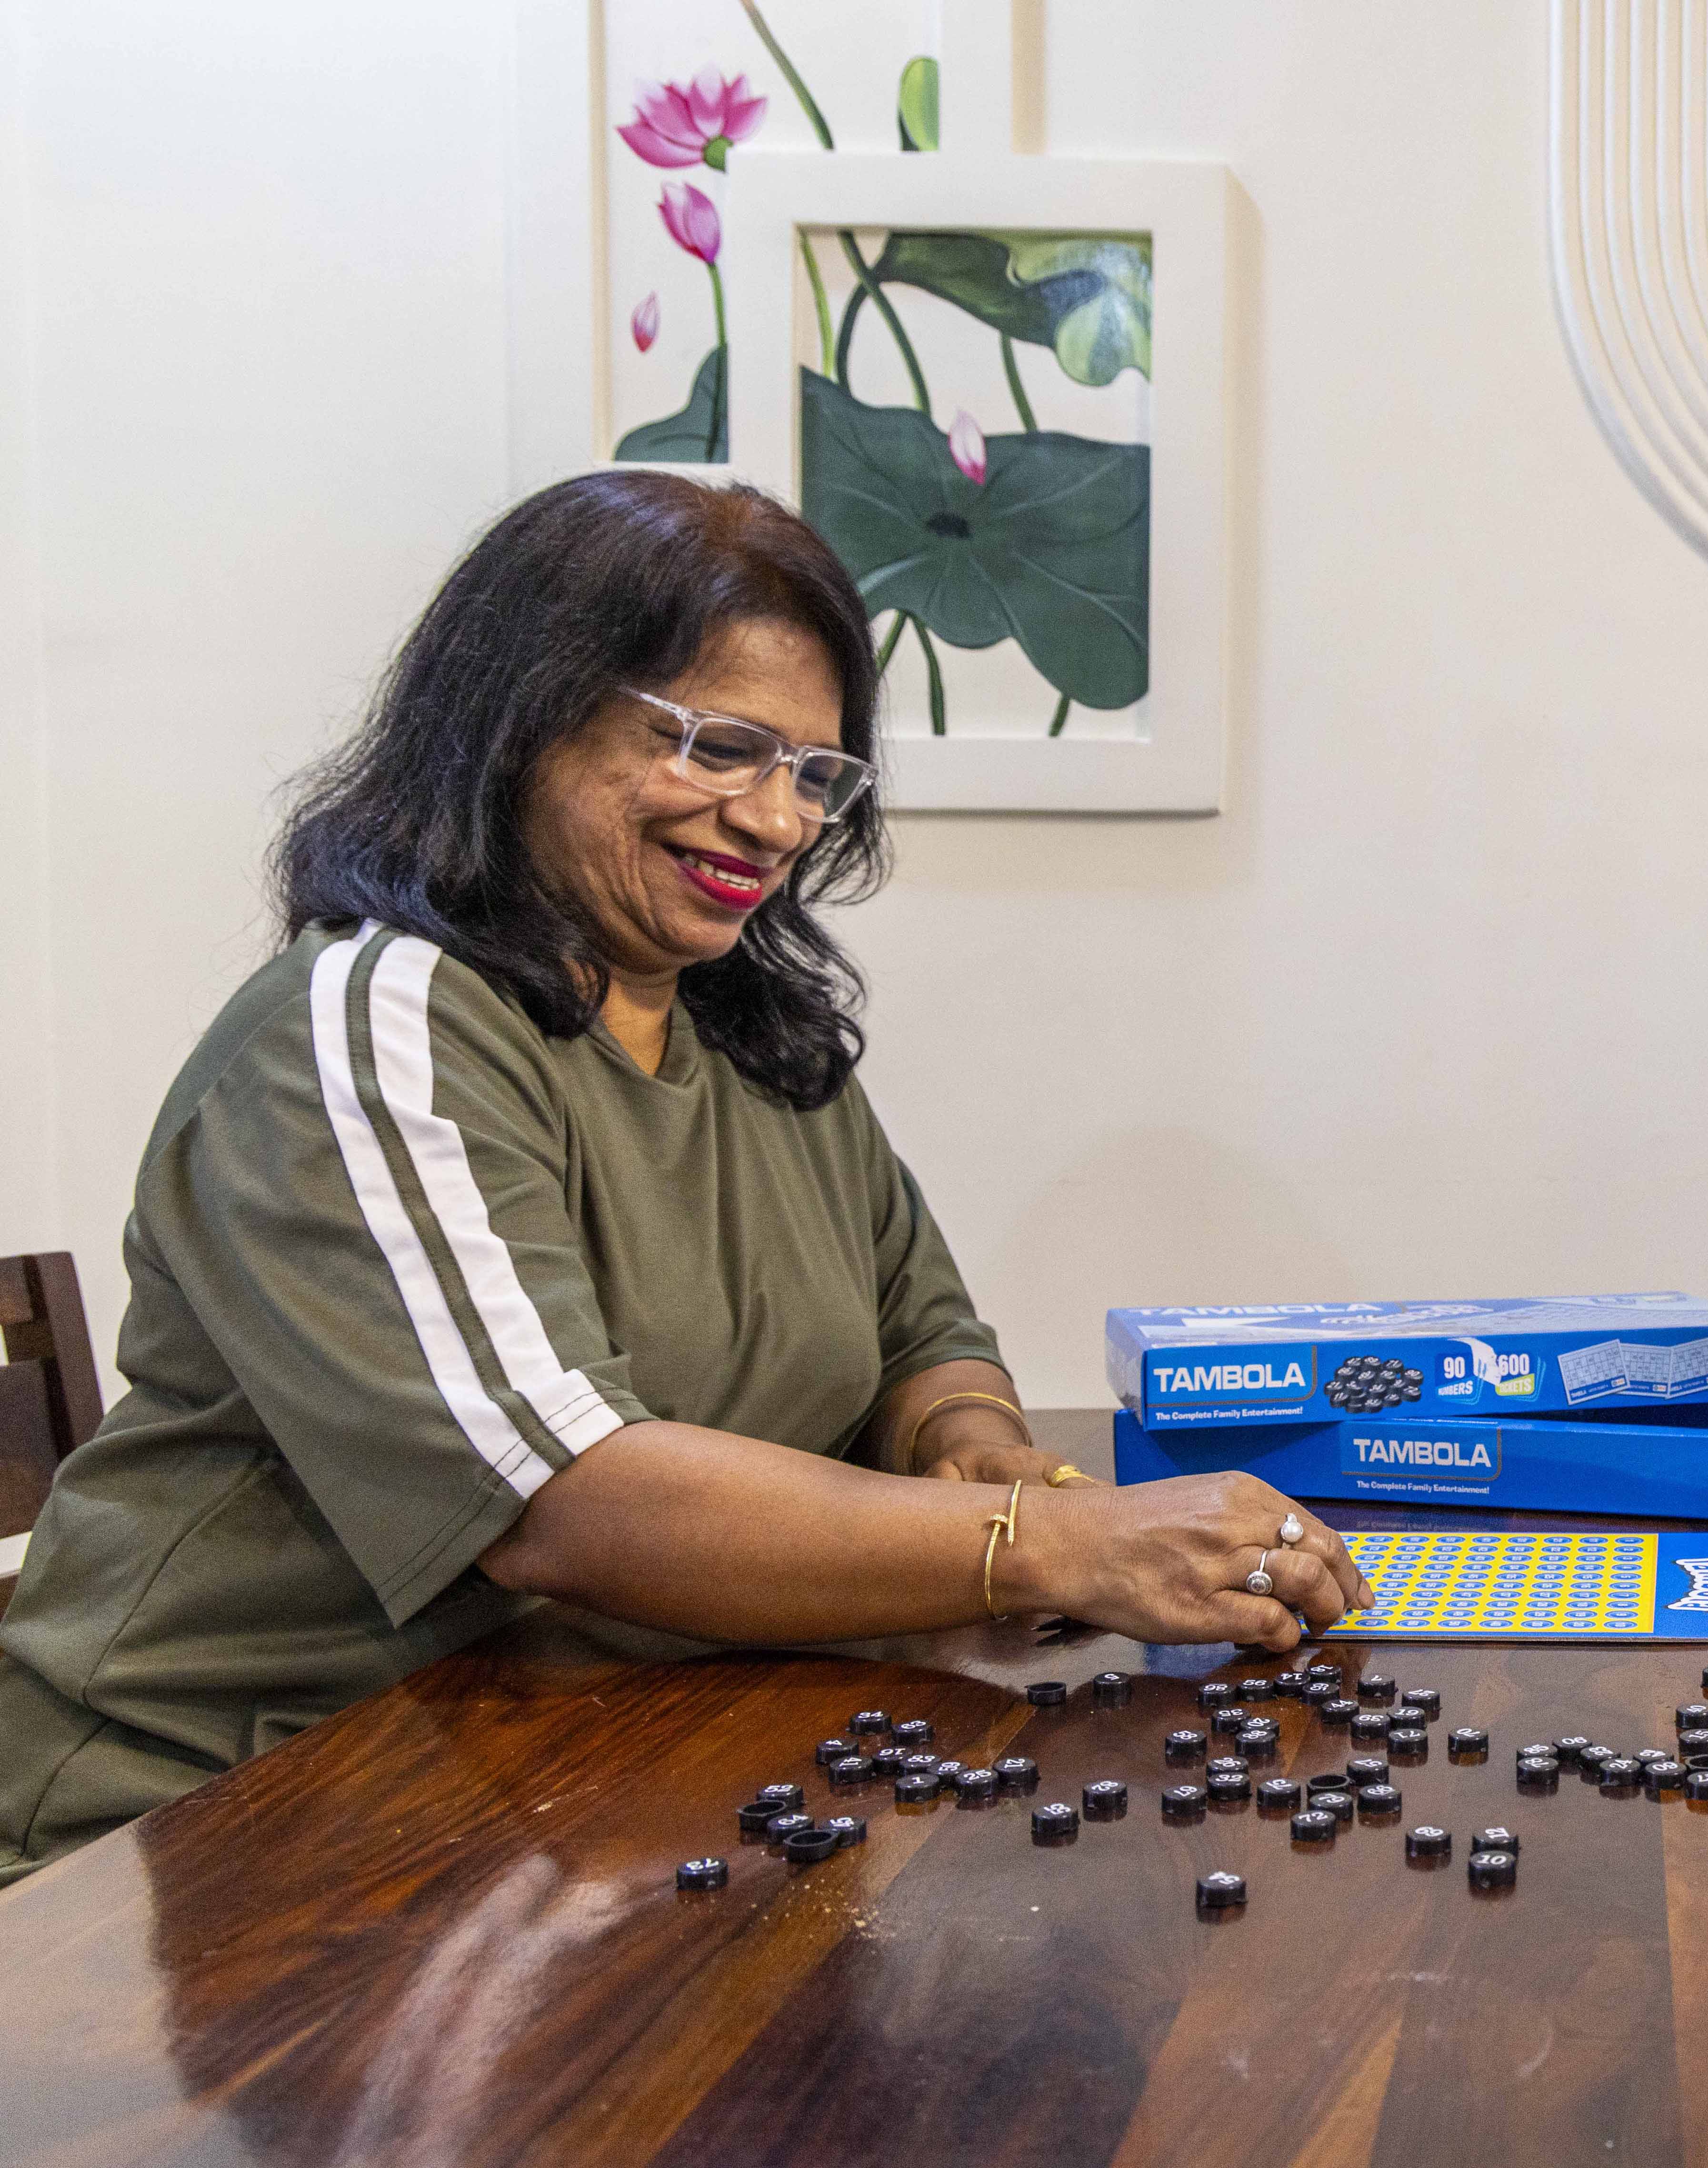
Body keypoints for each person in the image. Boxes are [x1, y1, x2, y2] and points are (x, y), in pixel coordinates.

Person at [0, 473, 1366, 1882]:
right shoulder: (371, 1022)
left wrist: (972, 1448)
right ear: (525, 713)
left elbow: (923, 1335)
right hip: (216, 1833)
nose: (777, 821)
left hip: (569, 1785)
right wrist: (1042, 1540)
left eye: (814, 775)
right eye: (722, 747)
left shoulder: (752, 1034)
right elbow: (563, 1502)